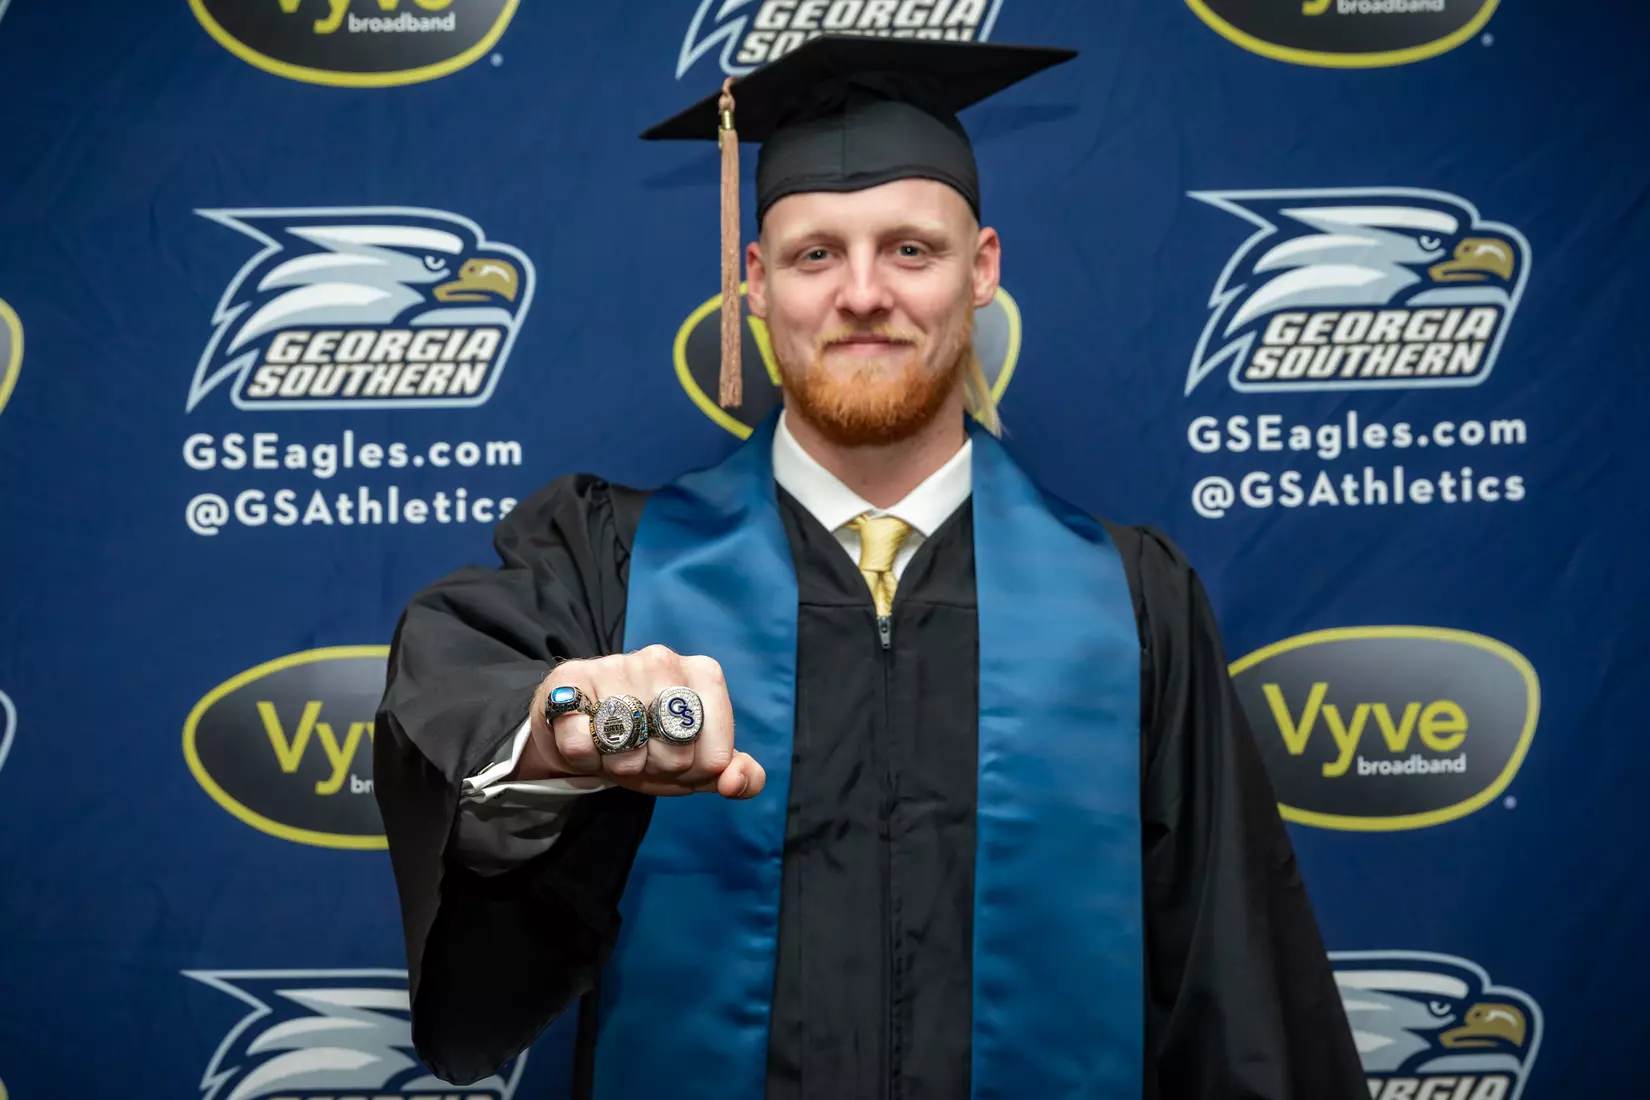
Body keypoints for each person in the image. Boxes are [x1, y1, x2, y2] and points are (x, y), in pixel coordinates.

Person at [374, 36, 1365, 1100]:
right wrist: (564, 725)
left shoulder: (1128, 604)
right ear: (752, 281)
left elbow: (1234, 994)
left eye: (909, 249)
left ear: (981, 268)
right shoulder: (617, 567)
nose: (861, 293)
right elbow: (455, 677)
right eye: (814, 254)